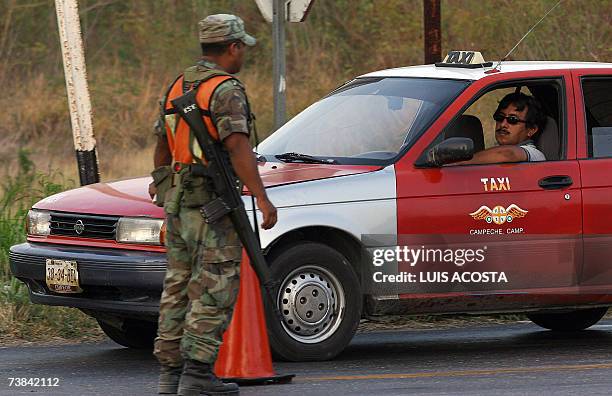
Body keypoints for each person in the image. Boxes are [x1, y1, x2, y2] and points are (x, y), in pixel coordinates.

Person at [149, 14, 277, 396]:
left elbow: (161, 143)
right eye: (242, 49)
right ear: (232, 47)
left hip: (179, 205)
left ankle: (169, 377)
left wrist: (161, 184)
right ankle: (198, 375)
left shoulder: (177, 85)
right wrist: (262, 197)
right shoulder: (225, 89)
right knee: (214, 287)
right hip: (212, 203)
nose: (243, 56)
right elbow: (237, 147)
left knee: (177, 287)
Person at [458, 92, 547, 164]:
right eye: (500, 117)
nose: (503, 124)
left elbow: (507, 154)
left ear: (531, 130)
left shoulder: (534, 155)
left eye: (512, 119)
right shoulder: (491, 155)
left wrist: (459, 164)